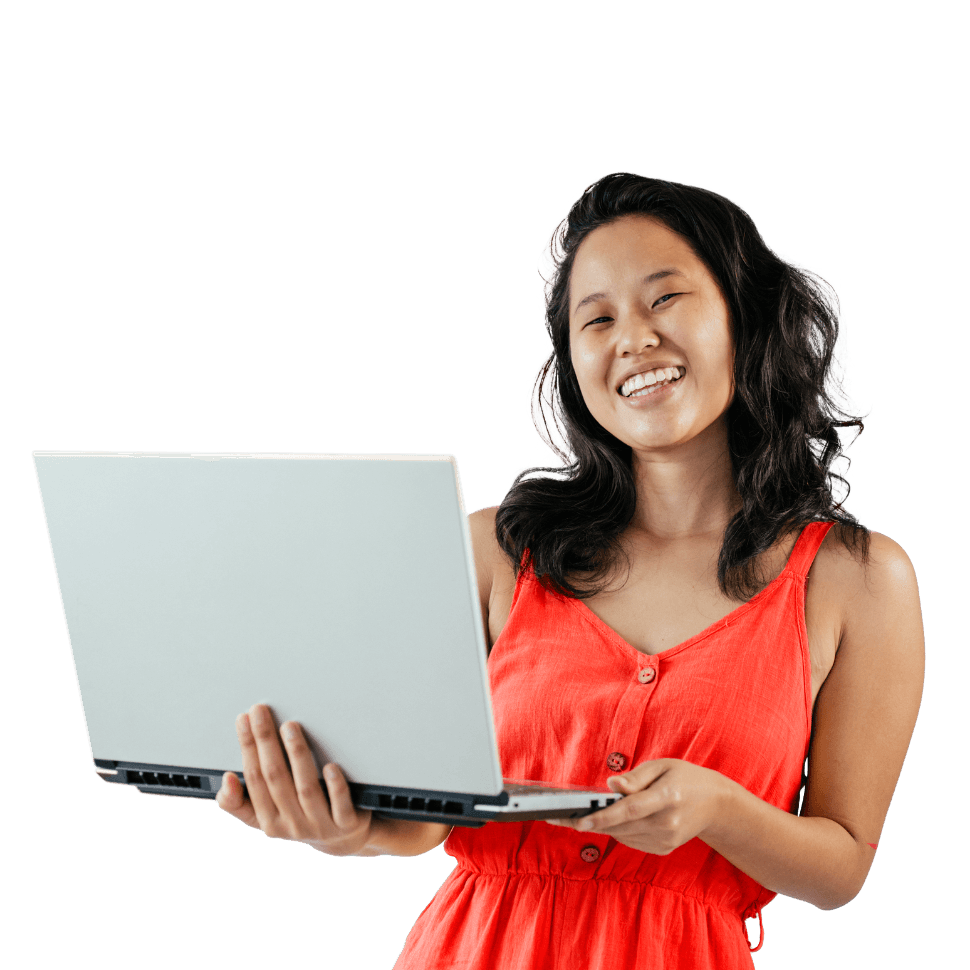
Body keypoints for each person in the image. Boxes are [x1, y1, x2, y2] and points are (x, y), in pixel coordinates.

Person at [215, 172, 925, 968]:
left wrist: (719, 811)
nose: (634, 339)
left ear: (746, 317)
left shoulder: (857, 581)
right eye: (598, 320)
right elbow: (428, 817)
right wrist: (350, 827)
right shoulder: (496, 550)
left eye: (665, 300)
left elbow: (842, 867)